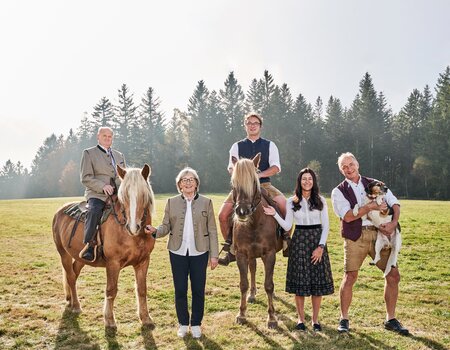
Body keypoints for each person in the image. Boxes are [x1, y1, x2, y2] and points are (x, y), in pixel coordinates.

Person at [331, 152, 409, 335]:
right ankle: (344, 318)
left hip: (380, 234)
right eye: (344, 167)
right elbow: (349, 216)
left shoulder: (374, 183)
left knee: (393, 275)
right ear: (341, 170)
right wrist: (369, 207)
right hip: (355, 236)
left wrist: (393, 223)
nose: (349, 169)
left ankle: (390, 319)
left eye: (351, 164)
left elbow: (395, 203)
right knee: (350, 276)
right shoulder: (338, 191)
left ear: (357, 164)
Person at [144, 167, 219, 339]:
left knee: (198, 289)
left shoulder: (206, 202)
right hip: (177, 252)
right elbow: (166, 226)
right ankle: (184, 323)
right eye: (184, 179)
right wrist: (156, 231)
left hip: (200, 252)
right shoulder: (171, 202)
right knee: (180, 289)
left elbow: (213, 230)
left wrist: (214, 255)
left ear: (196, 183)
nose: (187, 182)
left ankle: (196, 324)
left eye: (191, 179)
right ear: (179, 184)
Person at [263, 168, 334, 332]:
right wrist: (274, 214)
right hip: (300, 242)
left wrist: (321, 247)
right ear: (299, 182)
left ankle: (315, 321)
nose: (307, 181)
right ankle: (301, 320)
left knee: (317, 284)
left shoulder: (321, 200)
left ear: (314, 181)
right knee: (300, 284)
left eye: (310, 179)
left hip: (317, 241)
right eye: (304, 179)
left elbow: (326, 226)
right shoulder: (291, 201)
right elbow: (288, 225)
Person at [218, 112, 287, 266]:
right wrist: (240, 175)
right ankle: (231, 248)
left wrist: (258, 175)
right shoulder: (237, 146)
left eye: (255, 123)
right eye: (249, 123)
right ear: (245, 126)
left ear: (260, 126)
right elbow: (231, 166)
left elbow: (276, 167)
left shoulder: (270, 145)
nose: (252, 125)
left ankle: (286, 240)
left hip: (264, 184)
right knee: (222, 215)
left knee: (284, 204)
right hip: (241, 186)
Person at [79, 126, 125, 262]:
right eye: (104, 136)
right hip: (97, 194)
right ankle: (89, 245)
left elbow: (122, 176)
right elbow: (85, 177)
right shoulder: (89, 153)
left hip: (117, 194)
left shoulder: (119, 155)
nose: (107, 138)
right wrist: (102, 186)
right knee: (94, 211)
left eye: (110, 136)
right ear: (98, 137)